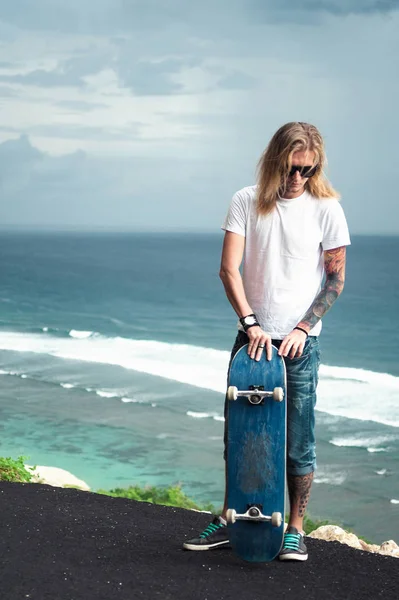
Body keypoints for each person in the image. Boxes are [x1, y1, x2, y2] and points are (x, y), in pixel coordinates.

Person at [182, 122, 351, 561]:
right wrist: (251, 323)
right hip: (251, 341)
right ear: (276, 161)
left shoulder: (327, 207)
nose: (299, 179)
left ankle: (295, 528)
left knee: (298, 442)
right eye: (292, 168)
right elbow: (228, 269)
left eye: (308, 170)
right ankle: (230, 517)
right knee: (238, 435)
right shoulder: (244, 200)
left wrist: (301, 328)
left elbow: (335, 281)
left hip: (299, 346)